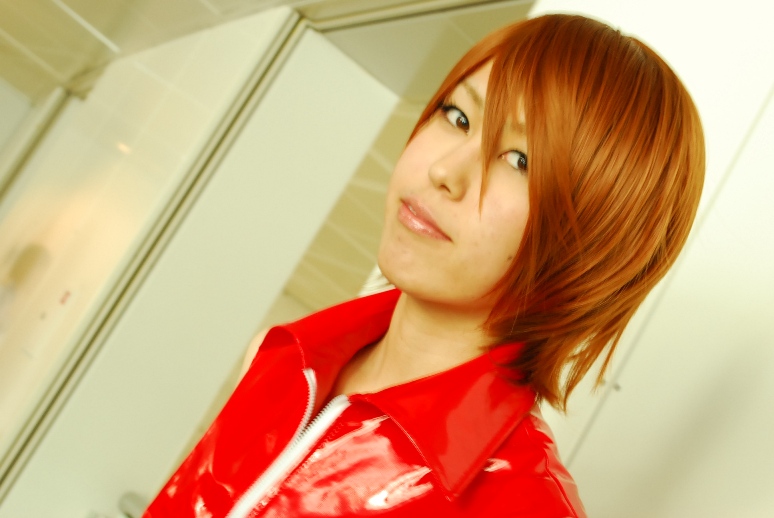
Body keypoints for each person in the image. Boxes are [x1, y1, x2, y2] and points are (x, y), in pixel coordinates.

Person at [144, 13, 704, 518]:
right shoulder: (287, 360)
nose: (445, 172)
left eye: (520, 161)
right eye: (457, 117)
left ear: (597, 245)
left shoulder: (523, 507)